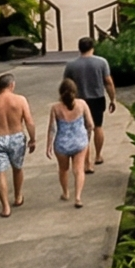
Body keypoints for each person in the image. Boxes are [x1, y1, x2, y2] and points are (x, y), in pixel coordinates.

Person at [0, 73, 37, 217]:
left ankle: (5, 208)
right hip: (16, 137)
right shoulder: (20, 100)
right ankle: (18, 197)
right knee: (17, 169)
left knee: (0, 173)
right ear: (11, 85)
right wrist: (32, 139)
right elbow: (29, 121)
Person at [61, 36, 119, 171]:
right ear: (92, 47)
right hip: (97, 98)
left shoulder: (71, 65)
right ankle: (98, 155)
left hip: (79, 100)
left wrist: (64, 102)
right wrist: (112, 99)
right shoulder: (101, 62)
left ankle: (87, 163)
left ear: (79, 48)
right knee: (98, 127)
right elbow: (108, 82)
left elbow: (66, 86)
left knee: (83, 131)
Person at [48, 78, 92, 206]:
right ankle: (78, 197)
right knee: (79, 170)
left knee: (63, 169)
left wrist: (48, 145)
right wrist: (87, 137)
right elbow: (90, 124)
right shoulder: (82, 104)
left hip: (62, 143)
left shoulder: (55, 108)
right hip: (79, 141)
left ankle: (66, 192)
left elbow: (52, 128)